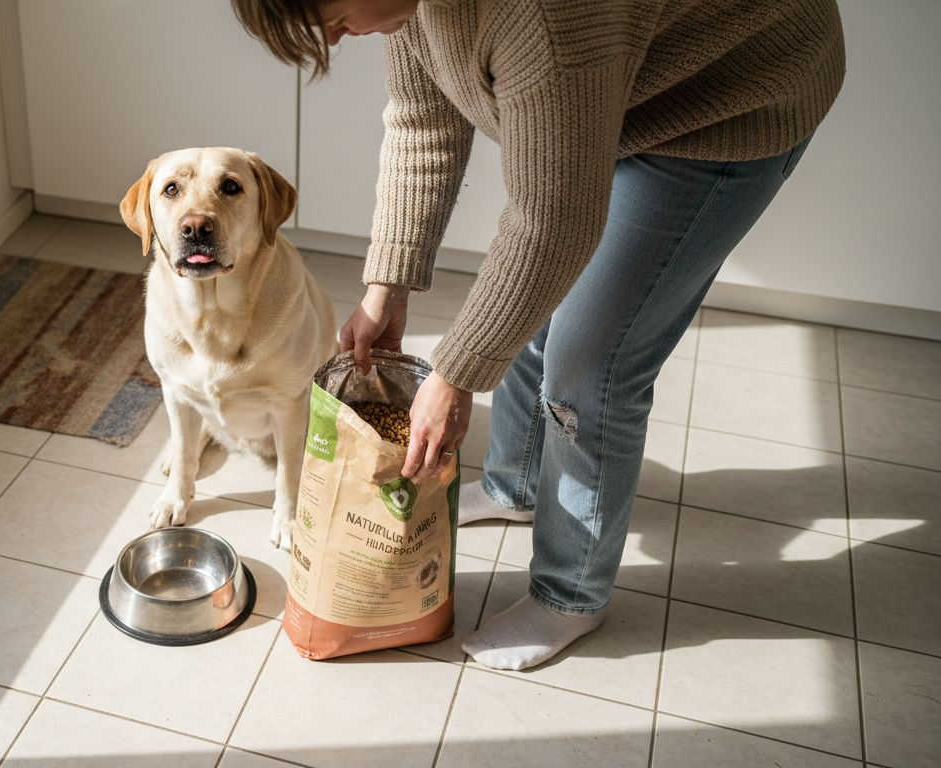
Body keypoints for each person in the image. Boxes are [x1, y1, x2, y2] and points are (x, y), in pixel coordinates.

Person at [232, 0, 845, 670]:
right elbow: (421, 123)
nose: (333, 35)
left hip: (729, 95)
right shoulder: (403, 7)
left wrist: (457, 374)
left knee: (589, 366)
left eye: (331, 13)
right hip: (621, 82)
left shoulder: (546, 16)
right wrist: (388, 282)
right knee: (525, 309)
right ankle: (514, 486)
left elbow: (552, 225)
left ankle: (571, 595)